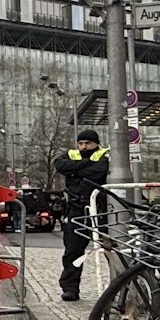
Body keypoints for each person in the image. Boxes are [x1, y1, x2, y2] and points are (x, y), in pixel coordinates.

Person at [52, 129, 111, 302]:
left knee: (111, 248)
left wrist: (75, 171)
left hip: (100, 208)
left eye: (88, 143)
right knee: (73, 251)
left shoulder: (104, 155)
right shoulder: (69, 154)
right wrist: (85, 165)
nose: (84, 147)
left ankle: (120, 285)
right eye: (81, 143)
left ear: (96, 143)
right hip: (76, 208)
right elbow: (60, 166)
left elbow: (99, 171)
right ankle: (70, 288)